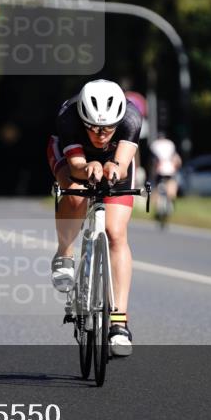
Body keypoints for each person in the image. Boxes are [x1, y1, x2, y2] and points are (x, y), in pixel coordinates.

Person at [45, 79, 141, 356]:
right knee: (74, 193)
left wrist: (112, 166)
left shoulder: (131, 119)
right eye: (94, 128)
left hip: (113, 159)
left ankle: (119, 324)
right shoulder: (69, 118)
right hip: (72, 156)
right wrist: (88, 166)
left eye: (107, 128)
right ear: (83, 119)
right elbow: (75, 166)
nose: (100, 134)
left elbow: (122, 165)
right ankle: (64, 253)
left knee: (115, 233)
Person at [149, 131, 182, 205]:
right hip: (170, 169)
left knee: (156, 187)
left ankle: (157, 204)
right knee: (171, 184)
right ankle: (171, 201)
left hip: (160, 169)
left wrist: (153, 170)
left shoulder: (155, 144)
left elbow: (153, 160)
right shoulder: (170, 144)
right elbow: (176, 158)